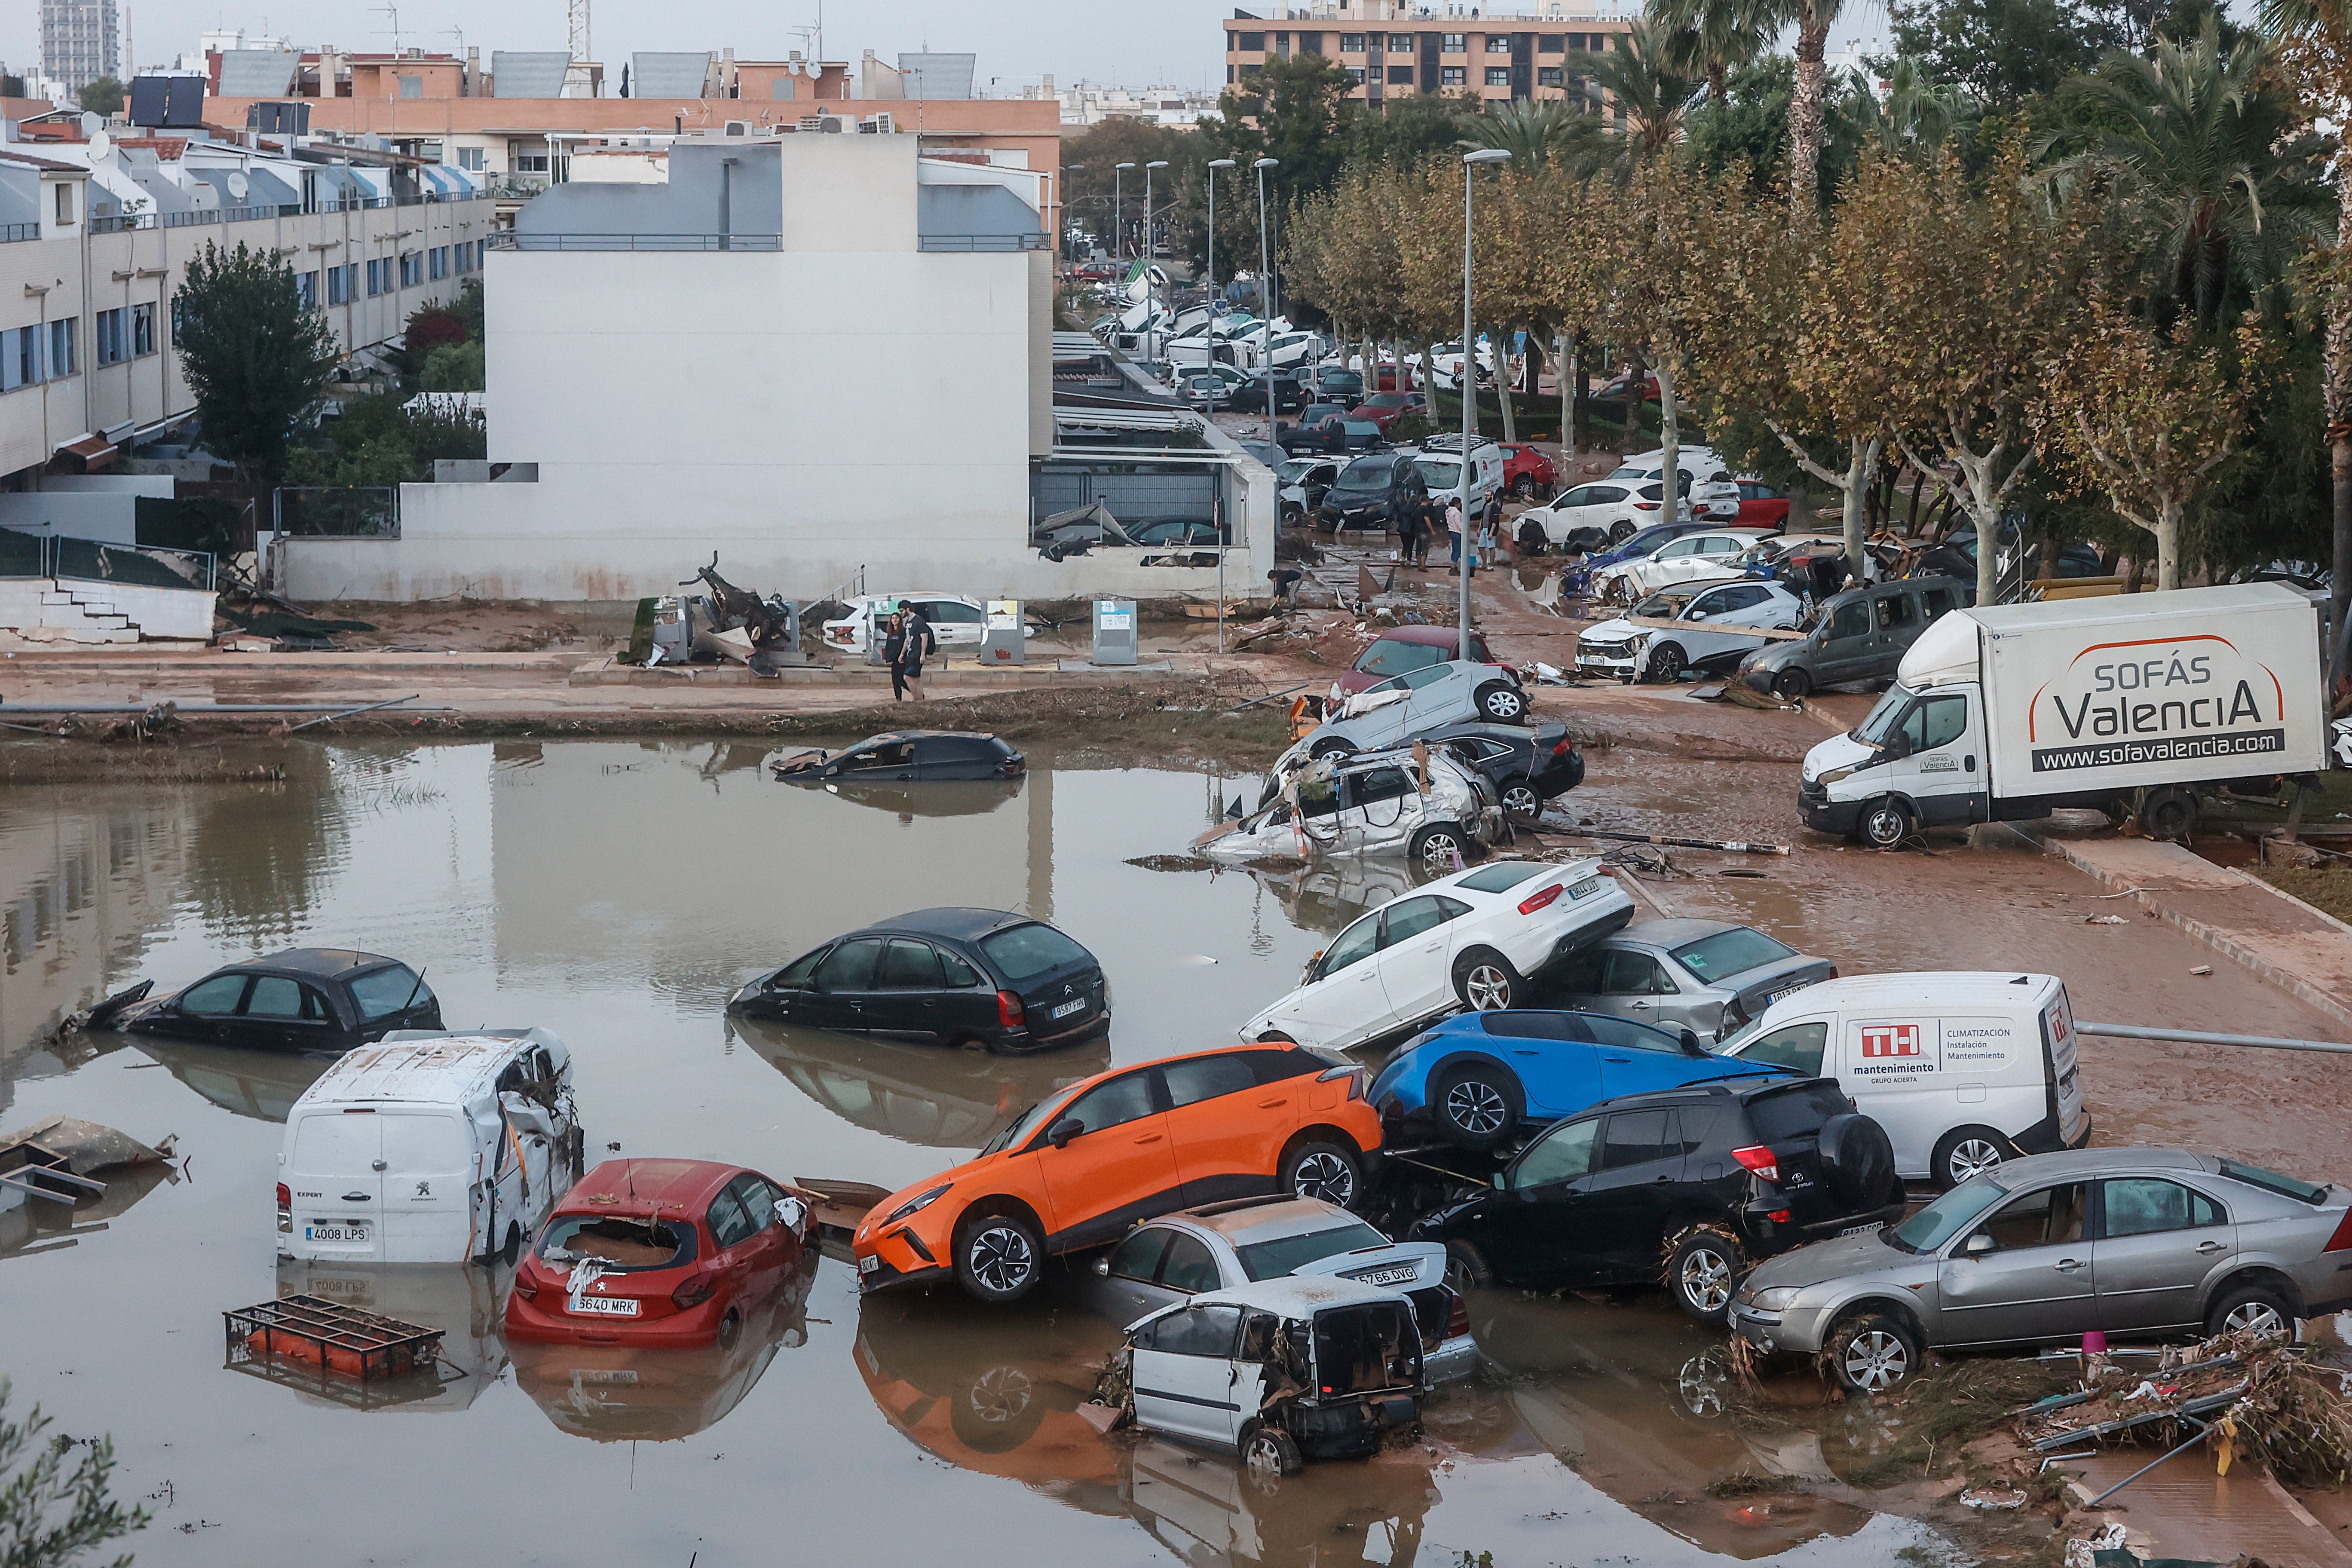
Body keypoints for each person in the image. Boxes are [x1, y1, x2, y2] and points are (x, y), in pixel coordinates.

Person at [895, 598, 936, 701]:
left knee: (907, 677)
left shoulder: (919, 621)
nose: (901, 613)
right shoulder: (908, 622)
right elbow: (907, 639)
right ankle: (920, 700)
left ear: (908, 609)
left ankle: (916, 699)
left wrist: (923, 654)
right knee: (916, 680)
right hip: (910, 653)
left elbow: (924, 638)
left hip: (916, 655)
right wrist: (902, 653)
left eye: (902, 611)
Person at [881, 611, 910, 701]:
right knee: (895, 681)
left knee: (901, 680)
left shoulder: (903, 631)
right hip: (893, 660)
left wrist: (896, 656)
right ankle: (898, 700)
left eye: (897, 618)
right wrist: (887, 657)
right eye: (893, 618)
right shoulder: (890, 632)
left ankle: (916, 692)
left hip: (901, 659)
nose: (895, 620)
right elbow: (888, 645)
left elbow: (900, 646)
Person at [1446, 496, 1467, 574]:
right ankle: (1453, 567)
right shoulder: (1457, 512)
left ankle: (1453, 566)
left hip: (1451, 531)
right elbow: (1458, 523)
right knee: (1458, 550)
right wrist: (1464, 531)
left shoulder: (1449, 511)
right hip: (1457, 532)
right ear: (1458, 504)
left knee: (1455, 550)